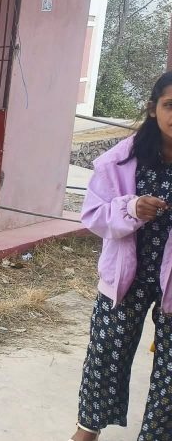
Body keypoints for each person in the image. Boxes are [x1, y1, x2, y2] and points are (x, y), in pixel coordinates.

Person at [74, 71, 172, 441]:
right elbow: (93, 215)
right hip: (126, 277)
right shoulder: (120, 160)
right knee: (105, 356)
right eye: (170, 105)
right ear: (152, 108)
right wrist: (130, 208)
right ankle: (87, 430)